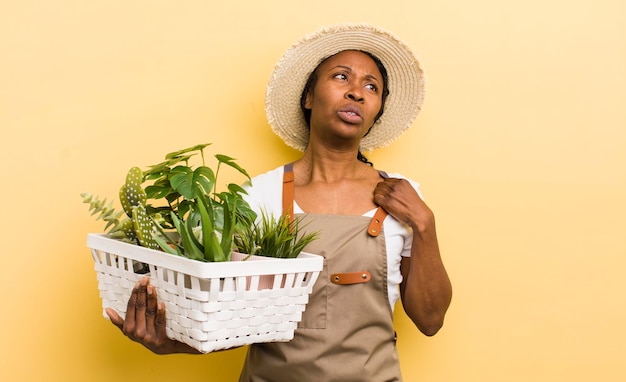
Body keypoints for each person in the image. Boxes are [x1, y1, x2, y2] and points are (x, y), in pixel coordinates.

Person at [106, 23, 452, 381]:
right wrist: (168, 342)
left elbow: (430, 320)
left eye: (371, 86)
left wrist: (425, 224)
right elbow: (230, 318)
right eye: (341, 77)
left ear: (376, 109)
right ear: (308, 97)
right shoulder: (260, 195)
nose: (356, 93)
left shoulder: (403, 197)